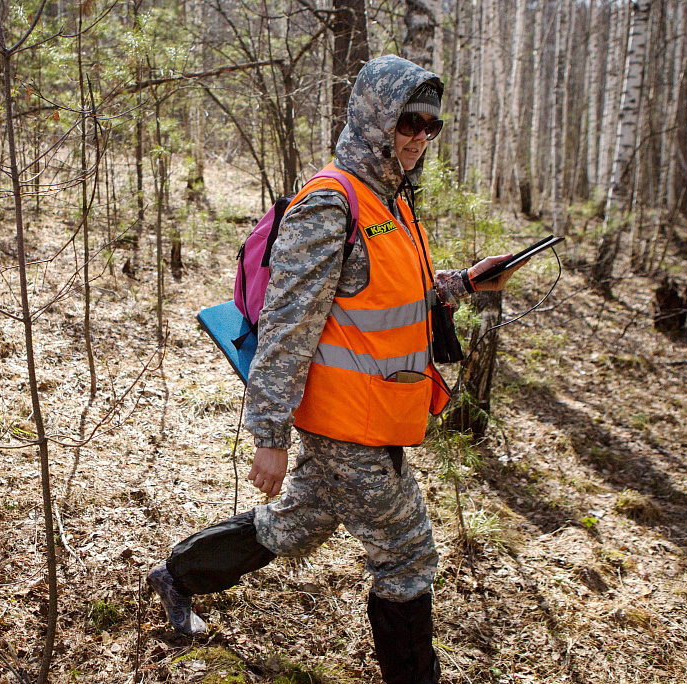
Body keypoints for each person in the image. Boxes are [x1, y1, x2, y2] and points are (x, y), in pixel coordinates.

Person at [147, 55, 523, 683]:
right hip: (344, 422)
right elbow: (288, 329)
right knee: (406, 556)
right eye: (409, 122)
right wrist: (268, 437)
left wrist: (464, 284)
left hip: (377, 415)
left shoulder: (392, 201)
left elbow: (389, 299)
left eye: (431, 125)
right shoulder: (330, 205)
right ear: (377, 119)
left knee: (293, 524)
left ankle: (176, 575)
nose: (420, 136)